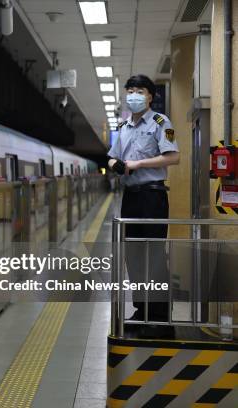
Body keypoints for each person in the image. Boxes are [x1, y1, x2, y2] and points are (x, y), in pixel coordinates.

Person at [107, 74, 180, 339]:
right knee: (134, 256)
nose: (134, 95)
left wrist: (137, 165)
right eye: (130, 91)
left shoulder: (162, 122)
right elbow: (112, 157)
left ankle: (160, 317)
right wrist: (115, 164)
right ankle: (141, 310)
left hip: (152, 196)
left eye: (139, 91)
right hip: (131, 196)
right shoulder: (125, 126)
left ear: (150, 96)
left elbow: (173, 157)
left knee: (154, 256)